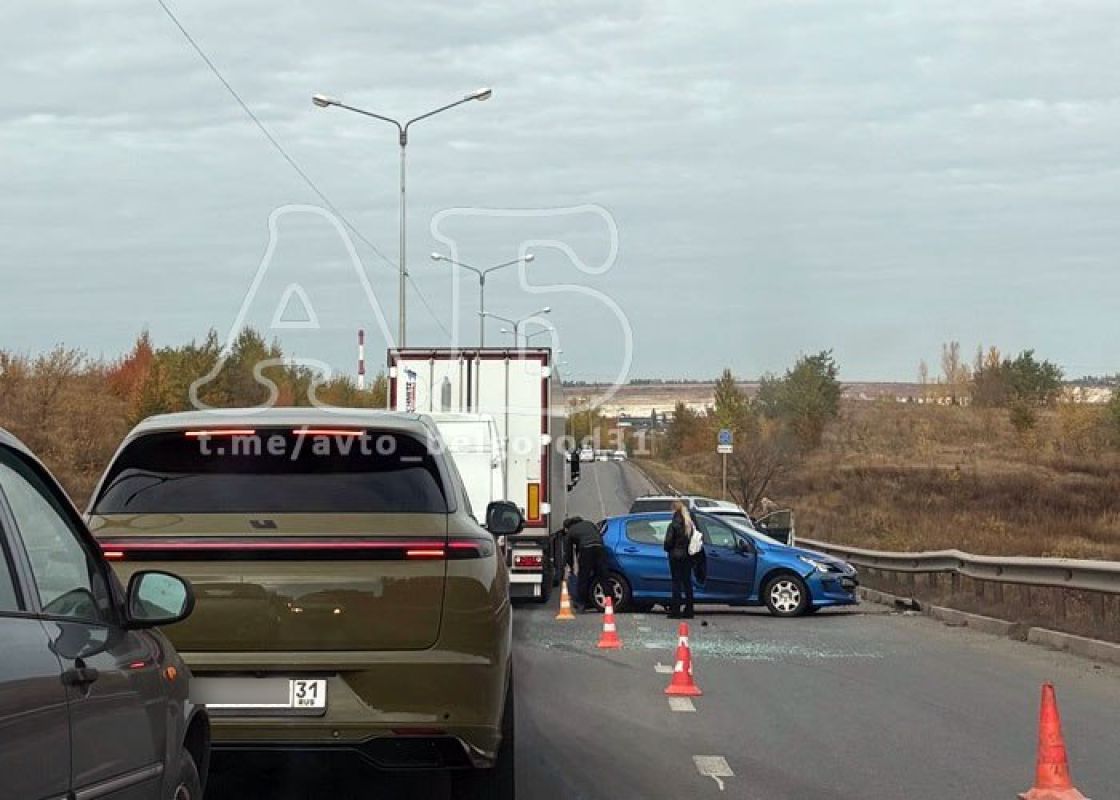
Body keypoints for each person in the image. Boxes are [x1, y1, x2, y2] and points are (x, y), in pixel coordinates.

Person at [563, 516, 610, 612]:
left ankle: (581, 604)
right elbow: (599, 534)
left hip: (586, 550)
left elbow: (568, 552)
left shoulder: (571, 531)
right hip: (600, 548)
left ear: (568, 526)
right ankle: (610, 601)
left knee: (583, 577)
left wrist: (570, 565)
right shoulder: (589, 523)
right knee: (603, 575)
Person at [663, 500, 695, 619]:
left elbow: (668, 542)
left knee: (676, 583)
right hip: (687, 556)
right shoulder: (689, 524)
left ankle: (675, 610)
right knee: (687, 583)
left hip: (675, 556)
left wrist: (668, 549)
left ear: (674, 510)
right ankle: (689, 609)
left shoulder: (673, 525)